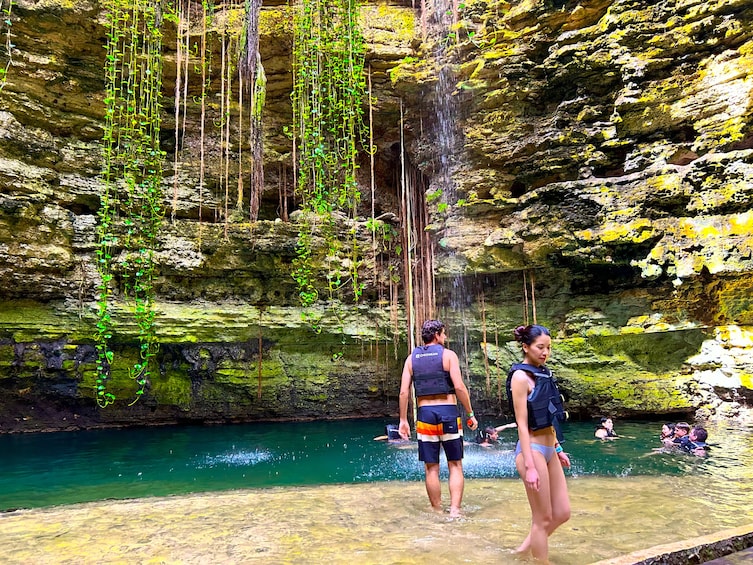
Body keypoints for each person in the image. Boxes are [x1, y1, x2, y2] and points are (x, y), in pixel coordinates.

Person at [398, 319, 478, 517]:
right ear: (436, 335)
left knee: (431, 467)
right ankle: (455, 510)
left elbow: (403, 393)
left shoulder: (411, 359)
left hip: (425, 414)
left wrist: (403, 420)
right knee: (455, 463)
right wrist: (470, 413)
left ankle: (436, 510)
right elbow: (459, 386)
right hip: (449, 412)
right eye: (443, 334)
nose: (445, 337)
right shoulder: (448, 355)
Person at [506, 324, 571, 562]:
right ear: (526, 347)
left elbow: (549, 416)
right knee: (542, 518)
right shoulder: (520, 377)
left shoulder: (545, 373)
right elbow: (522, 424)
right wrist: (531, 466)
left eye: (548, 348)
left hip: (549, 448)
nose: (545, 352)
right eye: (540, 347)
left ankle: (522, 551)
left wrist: (558, 448)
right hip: (531, 449)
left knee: (562, 513)